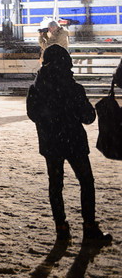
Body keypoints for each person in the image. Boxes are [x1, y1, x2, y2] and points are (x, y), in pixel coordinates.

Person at [27, 44, 111, 244]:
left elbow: (33, 115)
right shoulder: (73, 87)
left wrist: (50, 121)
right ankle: (90, 228)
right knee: (86, 182)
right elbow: (88, 117)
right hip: (74, 142)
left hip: (51, 143)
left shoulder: (36, 88)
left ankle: (61, 229)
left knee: (56, 185)